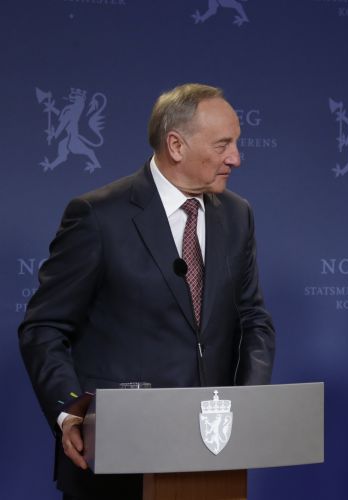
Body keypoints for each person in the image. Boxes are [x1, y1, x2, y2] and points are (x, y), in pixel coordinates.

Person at [18, 83, 276, 499]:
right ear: (176, 145)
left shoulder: (237, 215)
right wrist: (70, 412)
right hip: (115, 461)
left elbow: (253, 320)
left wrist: (247, 408)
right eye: (223, 145)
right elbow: (44, 327)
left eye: (236, 143)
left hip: (210, 458)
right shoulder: (98, 216)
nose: (236, 158)